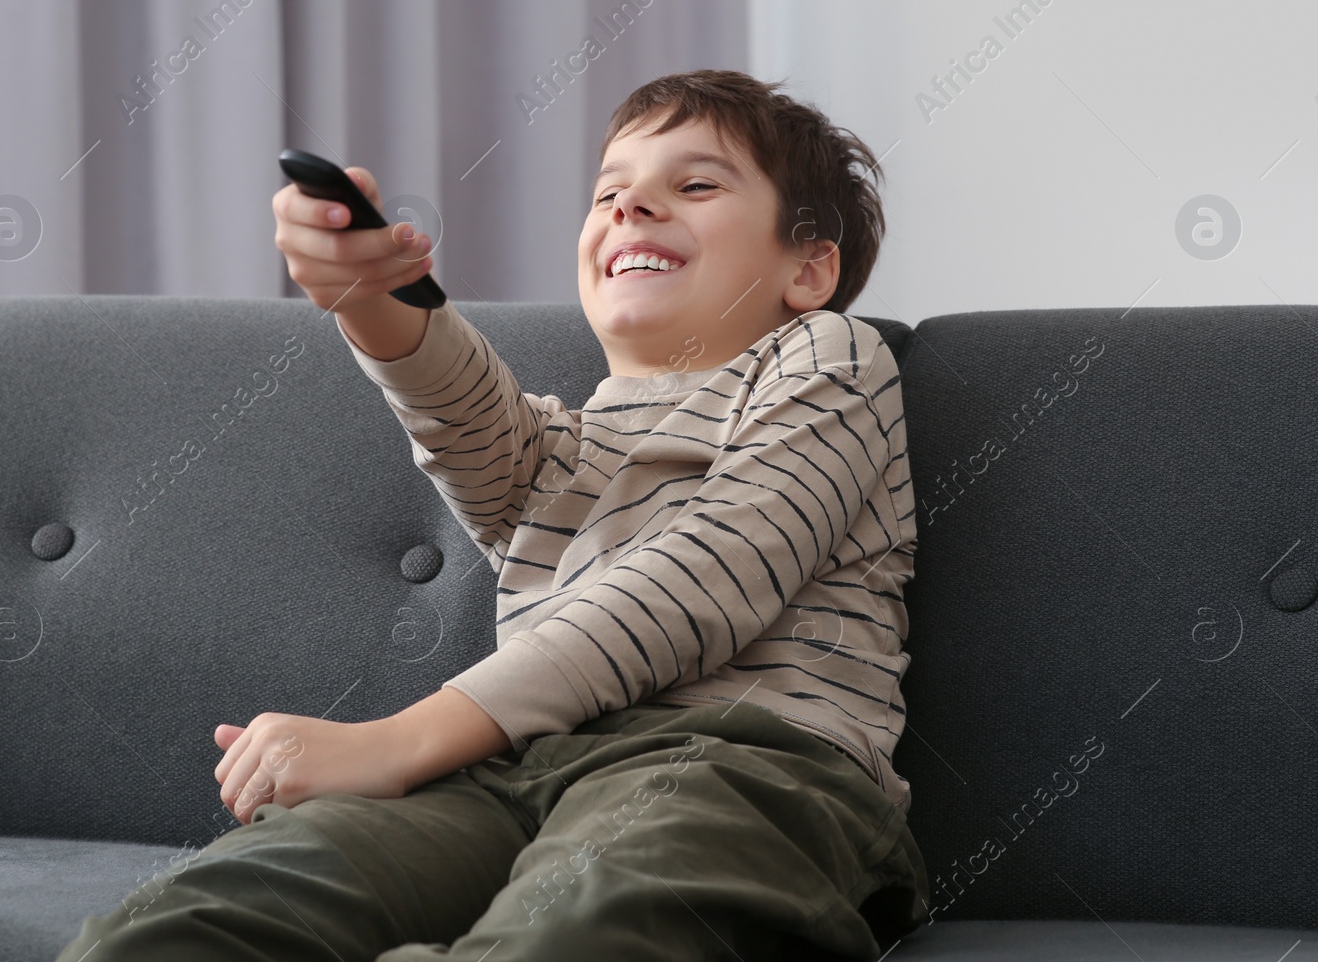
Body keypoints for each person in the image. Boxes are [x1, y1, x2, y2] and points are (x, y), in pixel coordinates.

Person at [55, 68, 930, 961]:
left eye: (695, 184)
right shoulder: (562, 449)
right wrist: (369, 294)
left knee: (587, 930)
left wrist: (399, 741)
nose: (632, 208)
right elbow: (461, 409)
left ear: (809, 266)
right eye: (609, 192)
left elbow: (702, 581)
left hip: (748, 768)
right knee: (185, 925)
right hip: (509, 774)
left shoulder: (832, 358)